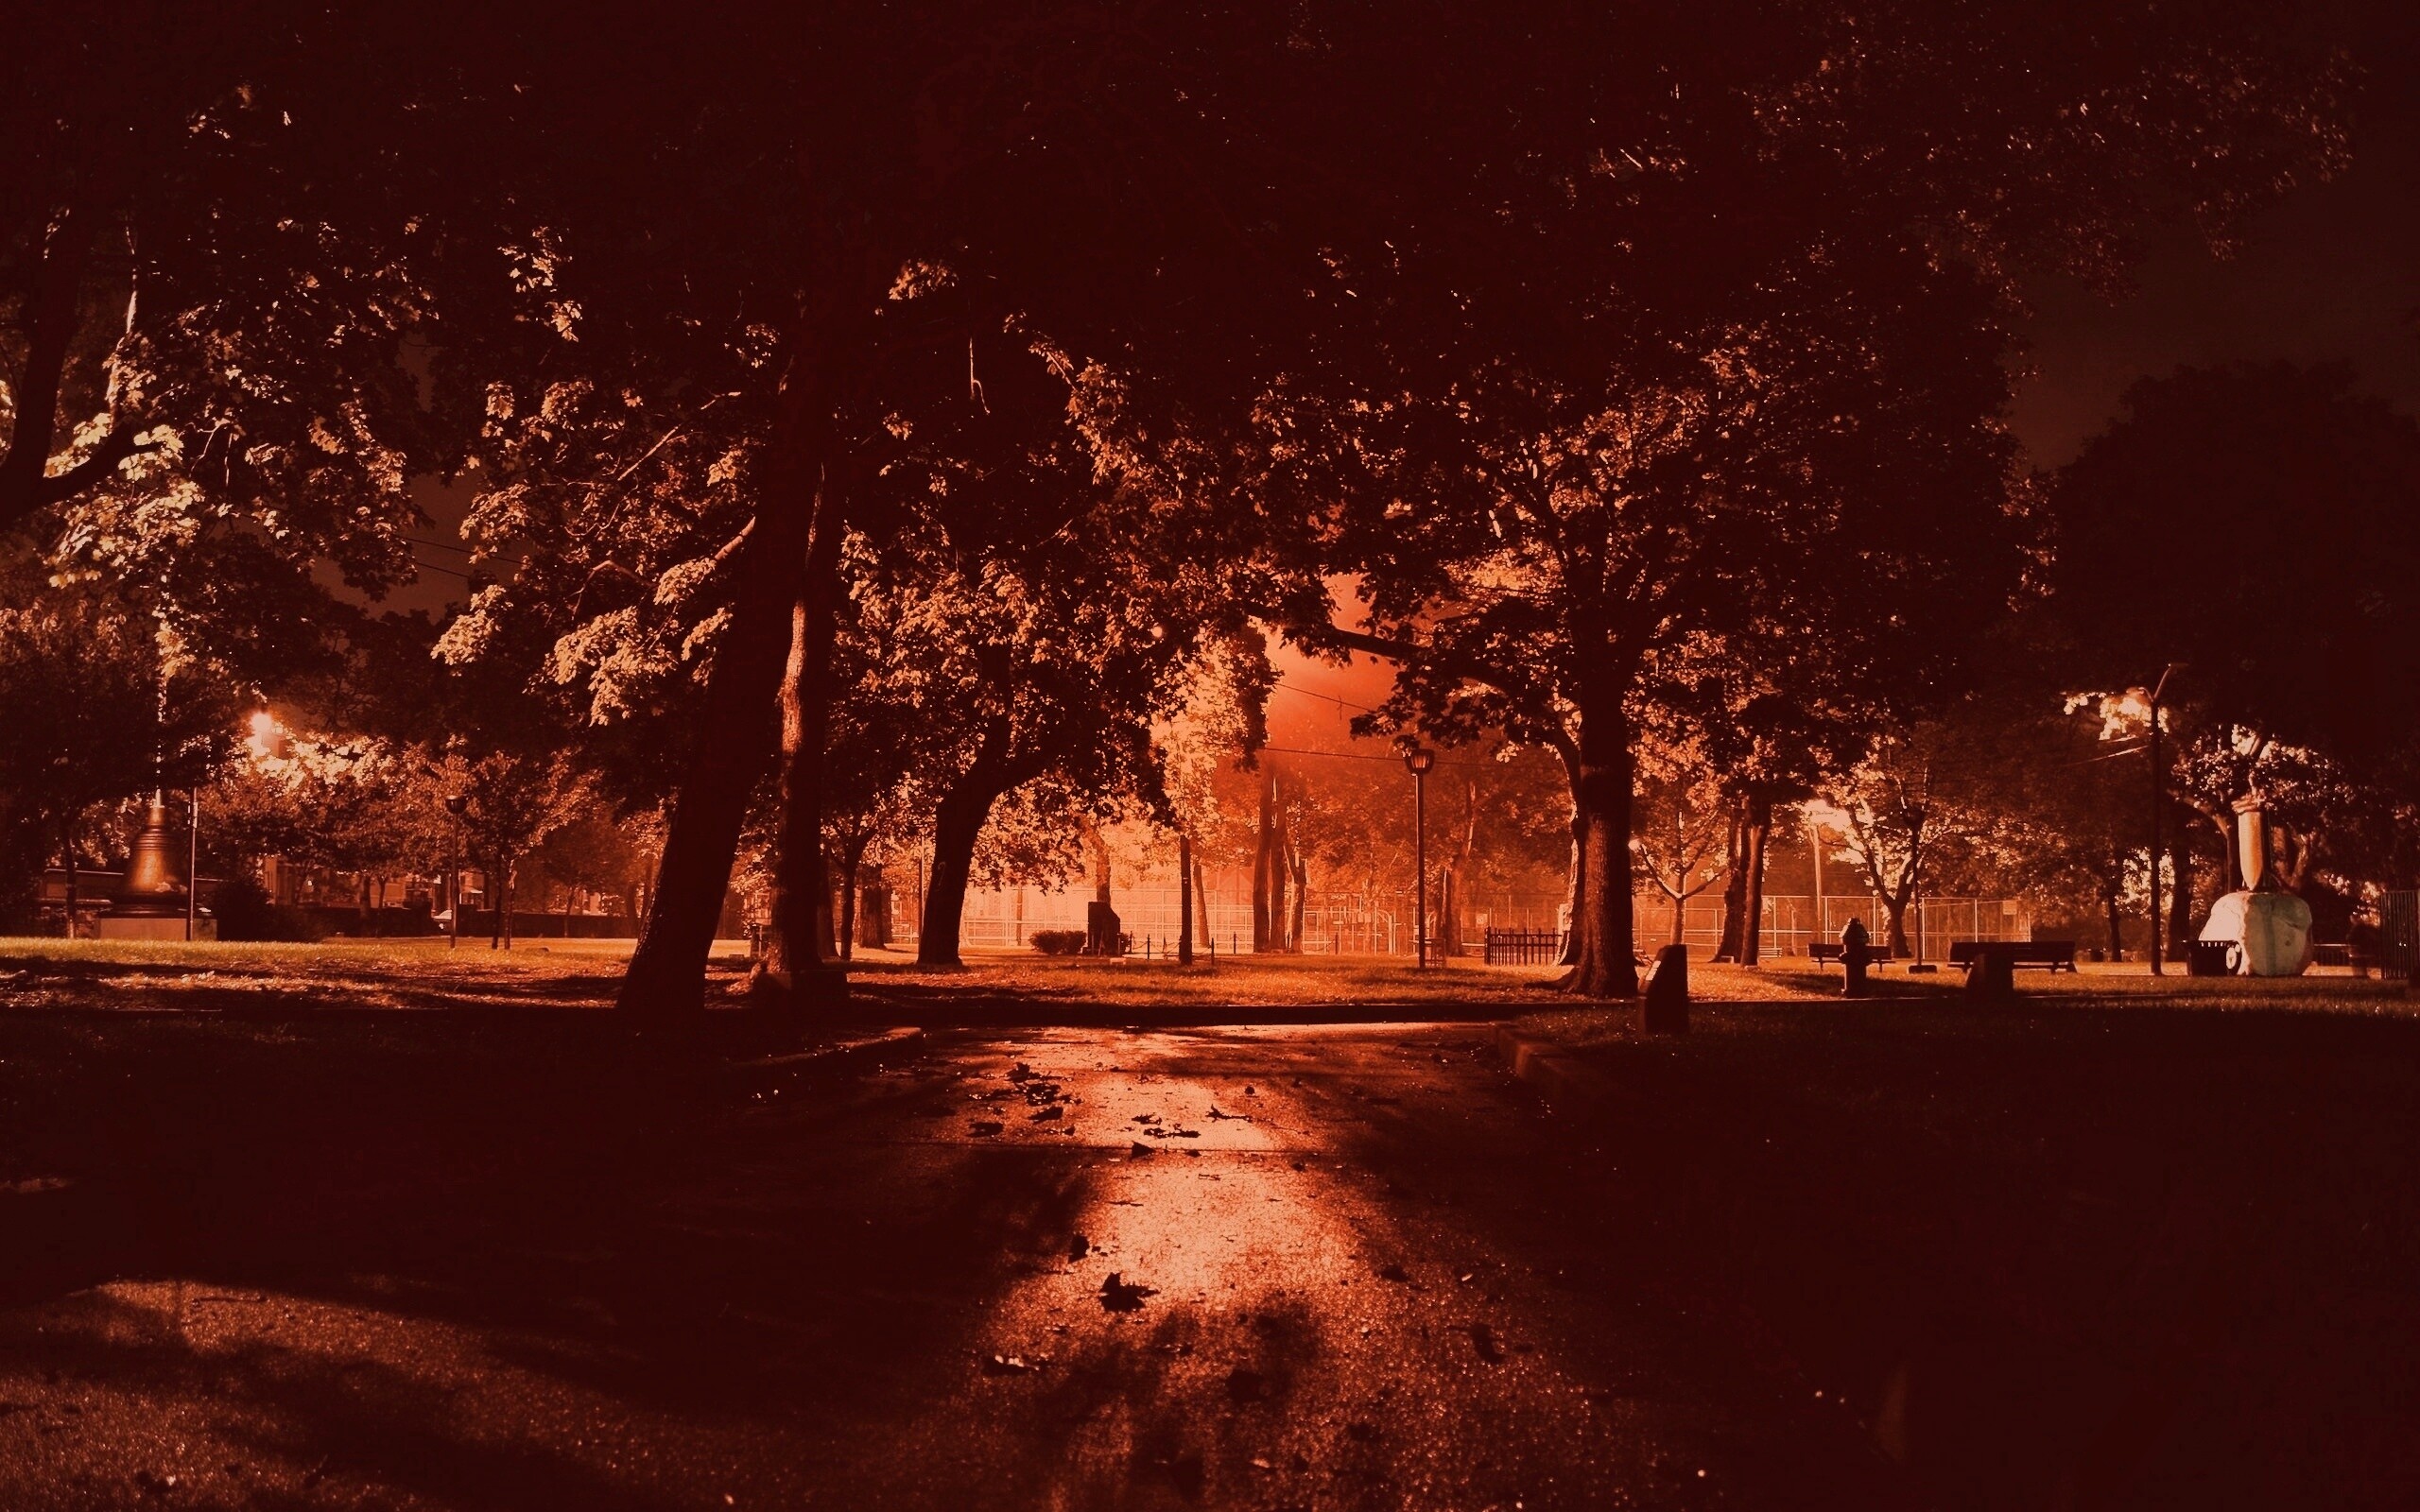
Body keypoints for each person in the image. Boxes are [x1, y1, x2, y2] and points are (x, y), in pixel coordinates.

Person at [1841, 917, 1873, 998]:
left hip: (1851, 959)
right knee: (1859, 971)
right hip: (1860, 961)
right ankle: (1860, 989)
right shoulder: (1860, 932)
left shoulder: (1848, 932)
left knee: (1852, 971)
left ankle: (1850, 990)